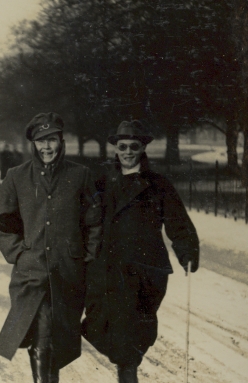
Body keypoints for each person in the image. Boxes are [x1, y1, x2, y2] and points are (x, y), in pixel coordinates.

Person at [82, 120, 200, 383]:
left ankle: (128, 373)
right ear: (115, 148)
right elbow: (81, 218)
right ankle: (126, 367)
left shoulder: (158, 184)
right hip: (107, 270)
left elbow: (177, 221)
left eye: (133, 146)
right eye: (122, 146)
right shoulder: (100, 182)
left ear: (142, 148)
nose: (127, 152)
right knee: (101, 326)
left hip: (144, 271)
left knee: (132, 336)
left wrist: (187, 251)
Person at [0, 113, 102, 382]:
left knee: (59, 338)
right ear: (33, 145)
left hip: (68, 273)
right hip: (32, 274)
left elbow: (94, 221)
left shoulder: (80, 175)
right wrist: (19, 253)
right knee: (42, 333)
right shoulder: (16, 177)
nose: (47, 147)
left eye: (51, 140)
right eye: (41, 142)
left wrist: (85, 255)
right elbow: (1, 221)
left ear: (61, 141)